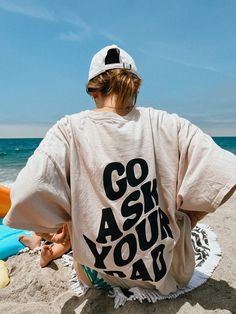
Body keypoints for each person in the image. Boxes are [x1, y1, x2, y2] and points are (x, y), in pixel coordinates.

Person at [3, 44, 236, 296]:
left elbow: (27, 192)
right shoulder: (168, 123)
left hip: (99, 275)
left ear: (93, 92)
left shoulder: (68, 129)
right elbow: (227, 173)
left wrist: (48, 227)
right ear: (135, 87)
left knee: (80, 215)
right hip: (168, 272)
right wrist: (189, 219)